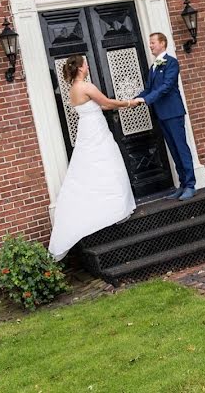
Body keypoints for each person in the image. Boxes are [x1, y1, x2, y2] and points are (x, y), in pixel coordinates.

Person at [47, 55, 138, 260]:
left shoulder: (72, 89)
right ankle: (114, 210)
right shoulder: (86, 86)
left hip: (87, 130)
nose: (88, 66)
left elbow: (101, 106)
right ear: (80, 68)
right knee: (109, 164)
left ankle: (107, 207)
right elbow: (106, 103)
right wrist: (129, 102)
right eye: (86, 63)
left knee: (90, 169)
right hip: (96, 131)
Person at [134, 33, 197, 201]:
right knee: (174, 150)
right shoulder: (153, 67)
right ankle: (183, 184)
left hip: (173, 112)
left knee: (181, 148)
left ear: (162, 43)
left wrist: (146, 99)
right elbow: (149, 89)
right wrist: (133, 100)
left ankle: (191, 185)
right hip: (161, 114)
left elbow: (167, 86)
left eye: (153, 42)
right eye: (150, 43)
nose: (150, 46)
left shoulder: (171, 62)